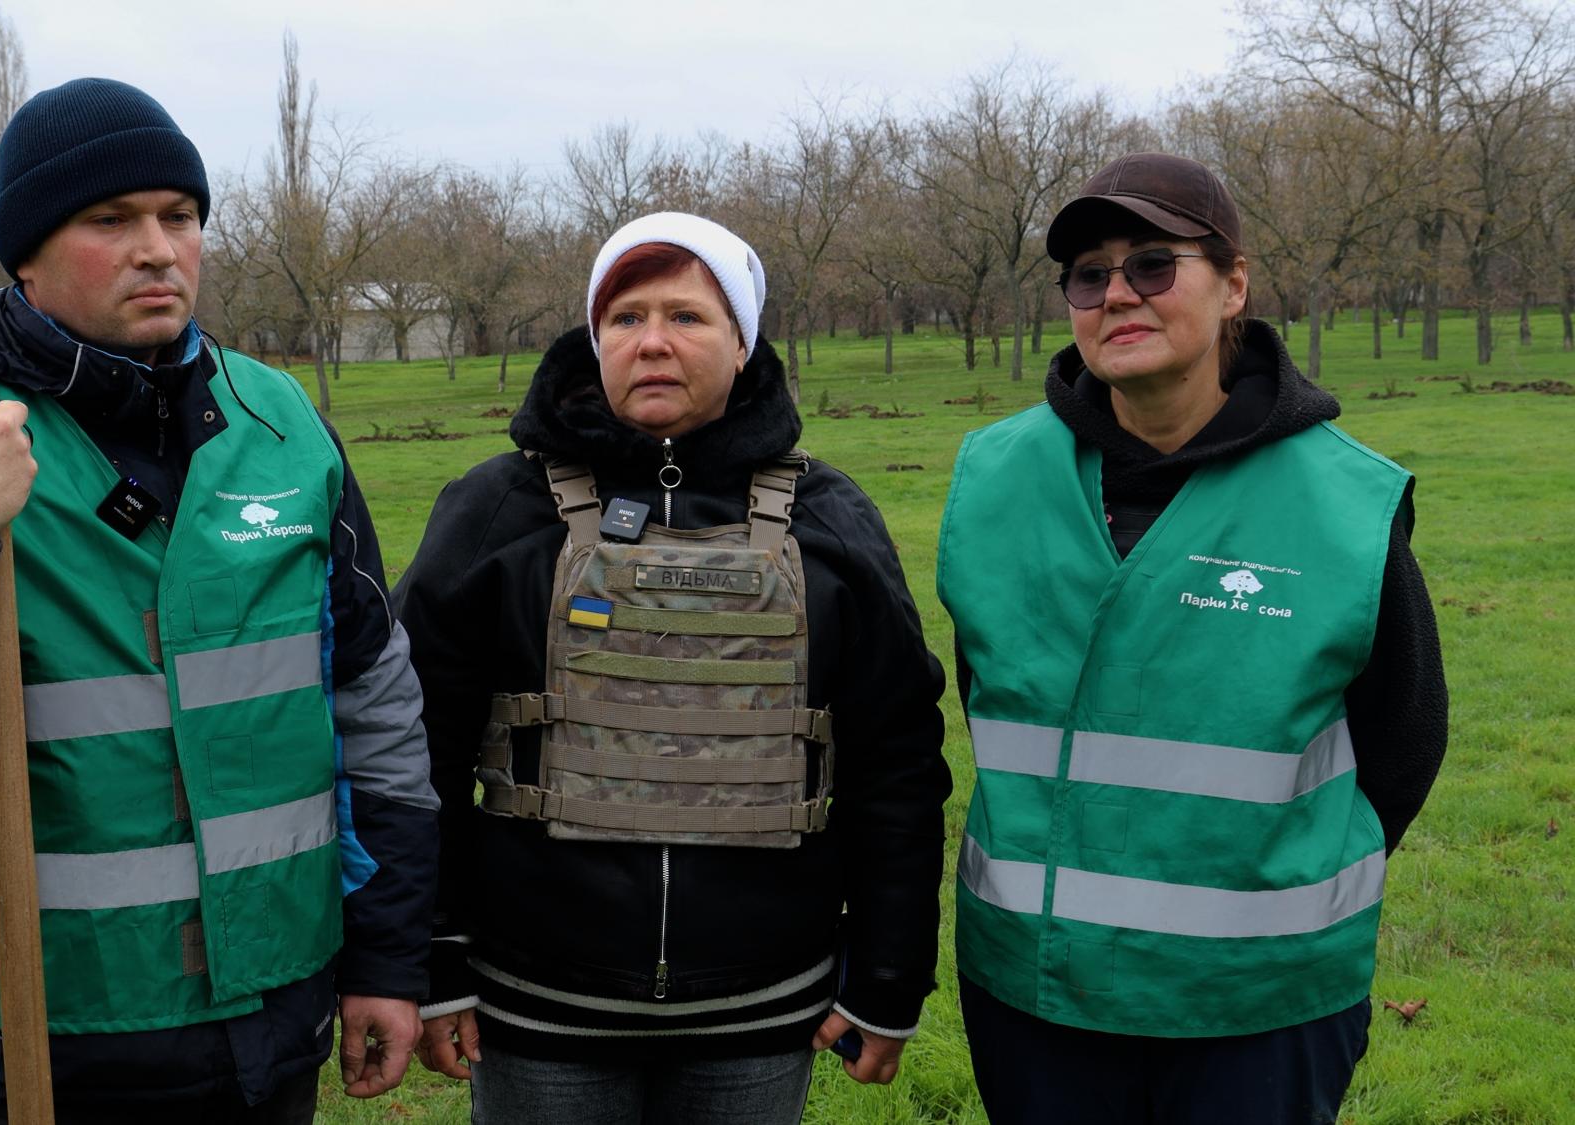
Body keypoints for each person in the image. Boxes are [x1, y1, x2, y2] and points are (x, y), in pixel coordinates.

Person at [0, 77, 438, 1123]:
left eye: (180, 216)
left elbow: (372, 702)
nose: (158, 248)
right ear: (25, 251)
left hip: (272, 1023)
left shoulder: (283, 426)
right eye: (109, 221)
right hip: (41, 1045)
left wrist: (386, 953)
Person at [393, 212, 951, 1124]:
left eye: (688, 316)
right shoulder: (499, 511)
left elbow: (897, 759)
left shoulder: (829, 517)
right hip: (538, 1007)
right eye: (625, 317)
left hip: (761, 1007)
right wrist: (434, 955)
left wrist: (889, 973)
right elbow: (417, 751)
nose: (652, 341)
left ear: (742, 341)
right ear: (594, 338)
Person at [937, 152, 1448, 1124]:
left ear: (1233, 287)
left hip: (1257, 1003)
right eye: (1089, 274)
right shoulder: (994, 478)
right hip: (1032, 992)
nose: (1117, 293)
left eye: (1152, 265)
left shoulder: (1341, 501)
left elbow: (1401, 737)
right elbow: (988, 702)